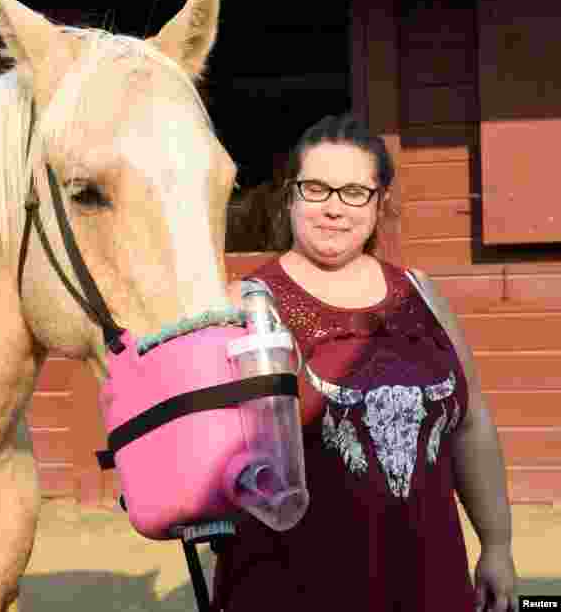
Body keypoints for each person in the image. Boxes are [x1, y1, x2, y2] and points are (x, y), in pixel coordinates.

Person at [212, 113, 519, 612]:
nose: (334, 208)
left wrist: (497, 543)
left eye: (355, 191)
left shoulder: (419, 292)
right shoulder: (243, 303)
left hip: (427, 573)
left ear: (380, 203)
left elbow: (472, 423)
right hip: (293, 584)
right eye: (317, 189)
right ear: (290, 196)